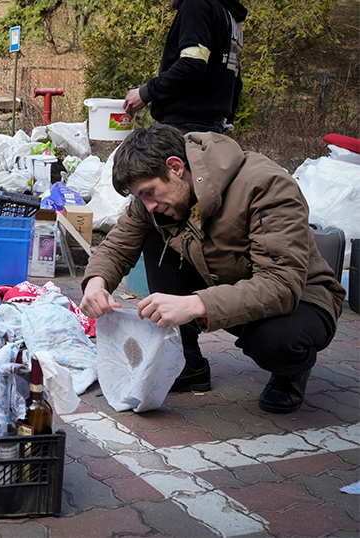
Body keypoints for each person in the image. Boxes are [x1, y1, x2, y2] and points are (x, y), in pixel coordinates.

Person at [80, 125, 345, 414]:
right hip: (227, 284)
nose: (149, 205)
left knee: (274, 341)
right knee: (154, 232)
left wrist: (195, 304)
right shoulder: (157, 199)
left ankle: (290, 372)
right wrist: (96, 283)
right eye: (140, 197)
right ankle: (188, 363)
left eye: (149, 193)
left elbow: (280, 284)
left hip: (301, 298)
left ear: (175, 167)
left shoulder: (266, 185)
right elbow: (117, 246)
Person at [123, 0, 247, 134]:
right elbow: (234, 77)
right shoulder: (229, 15)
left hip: (184, 128)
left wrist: (146, 93)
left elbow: (192, 65)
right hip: (213, 127)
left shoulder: (196, 4)